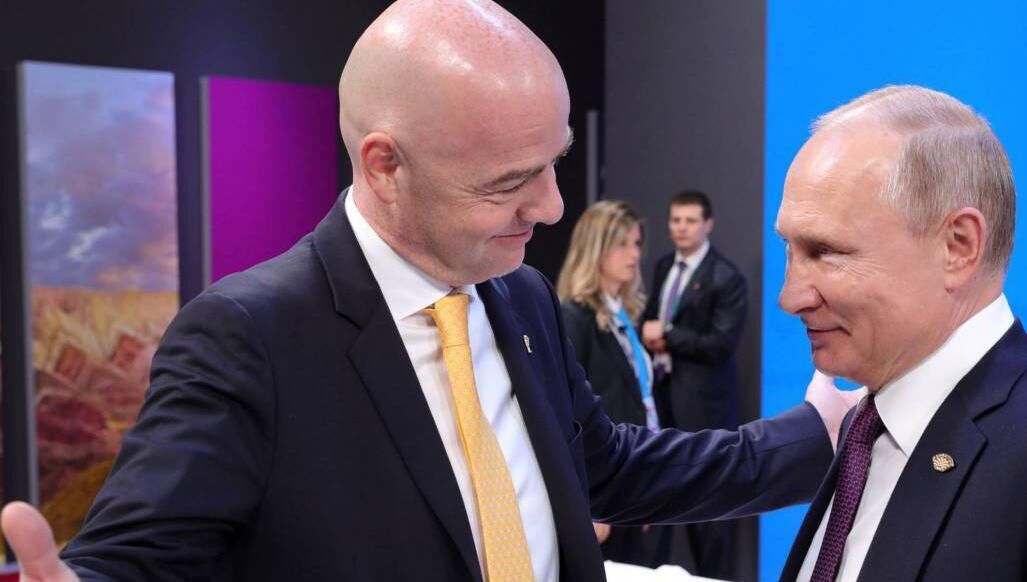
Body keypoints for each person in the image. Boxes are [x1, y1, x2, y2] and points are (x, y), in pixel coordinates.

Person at [1, 1, 852, 580]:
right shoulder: (248, 337)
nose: (551, 208)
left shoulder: (518, 300)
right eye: (507, 181)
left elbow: (607, 467)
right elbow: (141, 555)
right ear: (385, 165)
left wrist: (819, 436)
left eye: (553, 163)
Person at [774, 85, 1026, 582]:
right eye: (790, 250)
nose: (790, 297)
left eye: (826, 251)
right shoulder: (865, 425)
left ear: (958, 246)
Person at [556, 200, 696, 571]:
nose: (633, 254)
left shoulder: (622, 315)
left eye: (636, 244)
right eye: (622, 244)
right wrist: (586, 503)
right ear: (596, 248)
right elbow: (564, 417)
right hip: (606, 492)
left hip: (640, 476)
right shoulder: (574, 318)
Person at [640, 190, 747, 579]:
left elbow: (720, 345)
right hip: (662, 399)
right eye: (674, 221)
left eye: (689, 221)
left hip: (705, 411)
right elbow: (649, 316)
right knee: (663, 509)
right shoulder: (664, 264)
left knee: (710, 517)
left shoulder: (726, 277)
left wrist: (668, 335)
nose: (681, 228)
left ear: (708, 225)